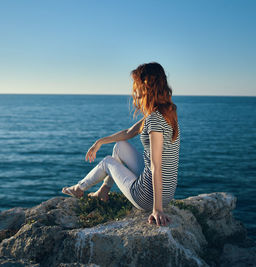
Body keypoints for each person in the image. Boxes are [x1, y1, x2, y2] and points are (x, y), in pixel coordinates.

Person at [62, 62, 180, 227]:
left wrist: (157, 209)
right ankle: (103, 191)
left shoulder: (153, 120)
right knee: (120, 146)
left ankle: (79, 188)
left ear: (146, 87)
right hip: (168, 192)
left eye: (136, 85)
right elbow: (128, 132)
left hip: (147, 197)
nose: (134, 90)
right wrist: (99, 142)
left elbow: (156, 166)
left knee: (108, 162)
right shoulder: (167, 112)